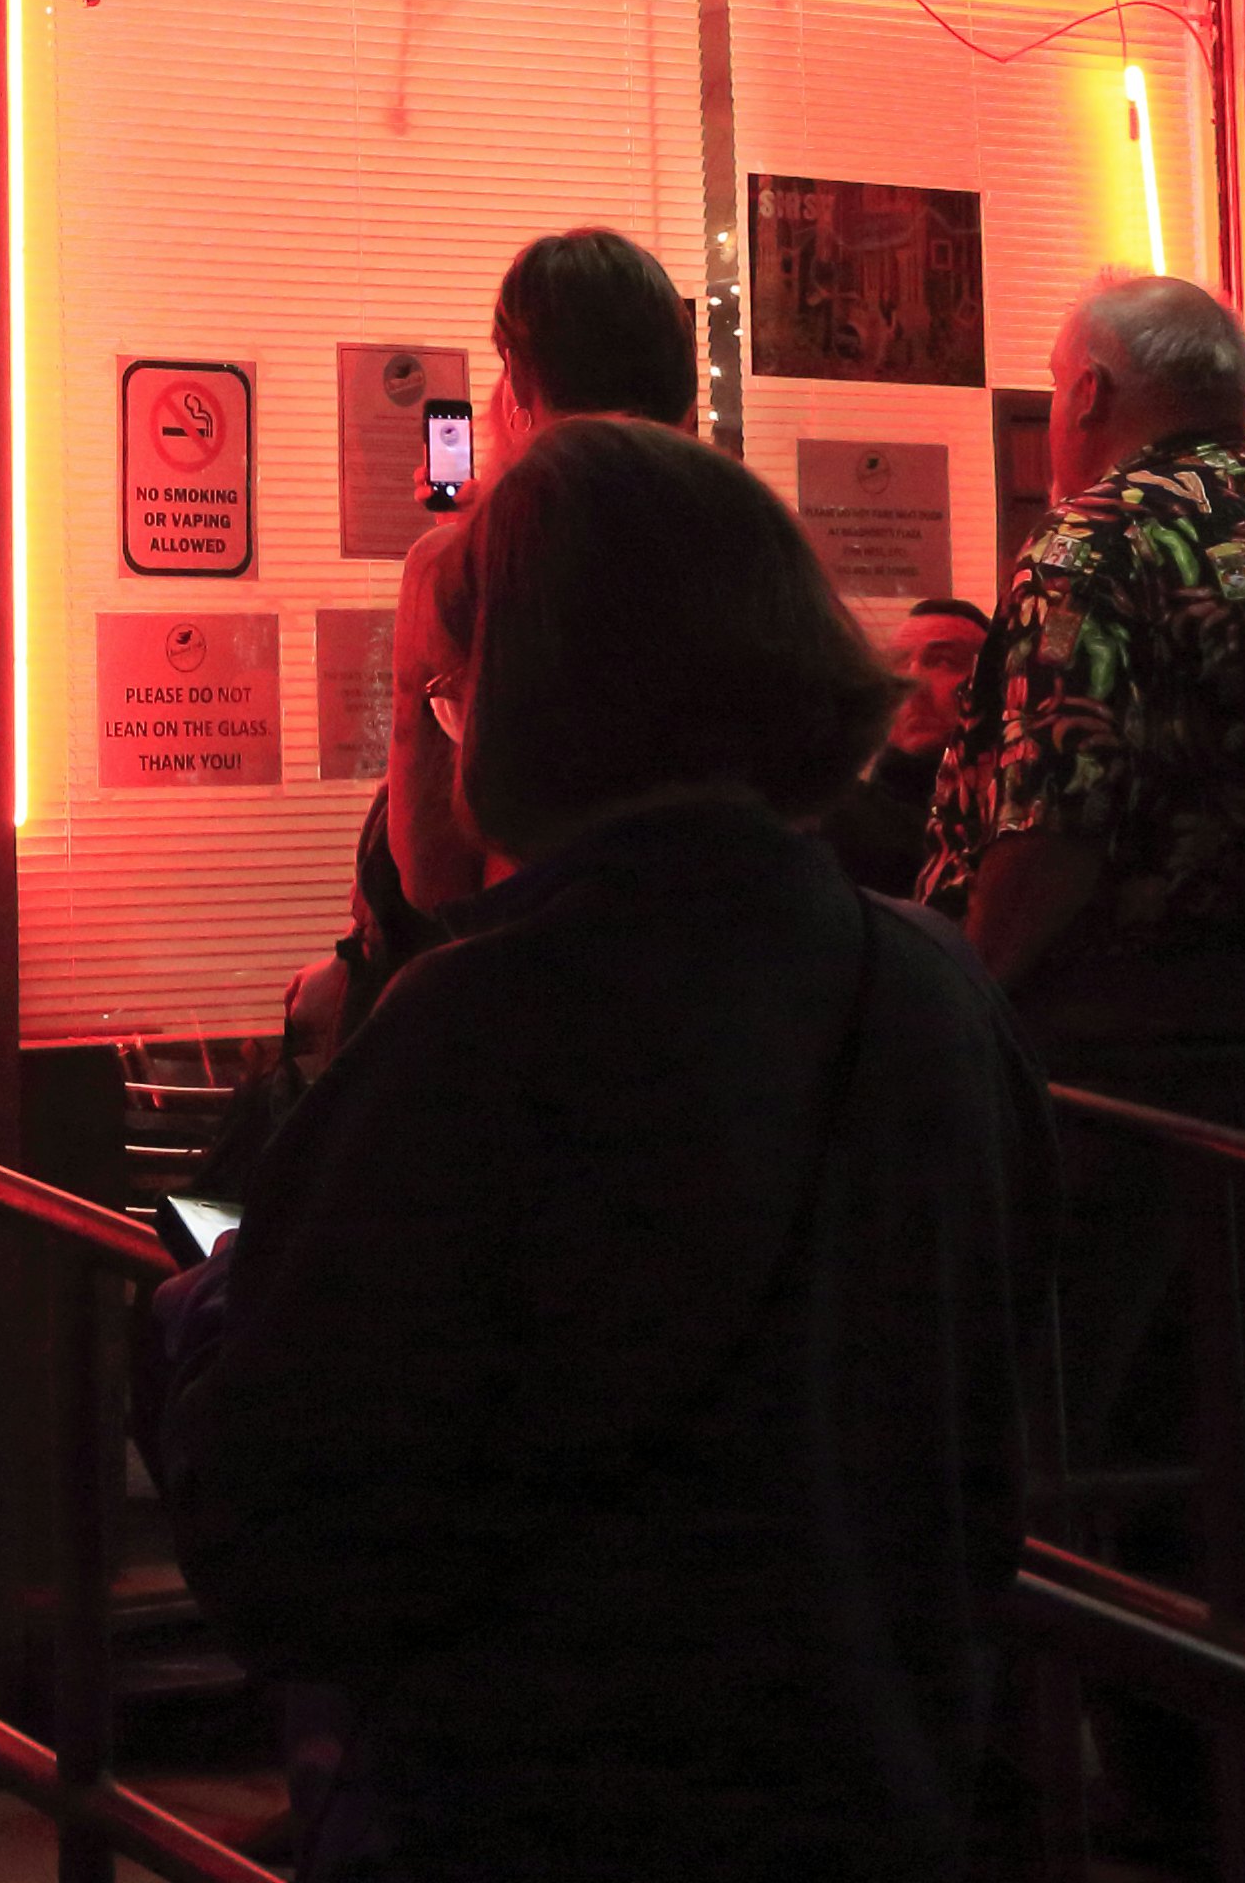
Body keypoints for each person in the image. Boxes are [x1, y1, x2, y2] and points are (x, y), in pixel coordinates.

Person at [172, 417, 1057, 1883]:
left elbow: (284, 1530)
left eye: (448, 699)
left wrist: (203, 1322)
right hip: (876, 1787)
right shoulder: (937, 988)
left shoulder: (479, 1023)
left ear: (529, 699)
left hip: (545, 1804)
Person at [929, 268, 1245, 1870]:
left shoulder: (1093, 545)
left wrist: (953, 989)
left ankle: (1056, 1811)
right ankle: (1237, 1807)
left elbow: (1060, 824)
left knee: (1066, 1448)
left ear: (1086, 396)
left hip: (1146, 1048)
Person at [378, 227, 706, 929]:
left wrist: (459, 566)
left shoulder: (465, 570)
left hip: (550, 973)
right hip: (742, 970)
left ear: (520, 387)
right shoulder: (743, 542)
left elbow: (433, 874)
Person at [822, 596, 986, 900]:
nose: (910, 681)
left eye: (944, 661)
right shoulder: (831, 817)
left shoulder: (1010, 825)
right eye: (897, 662)